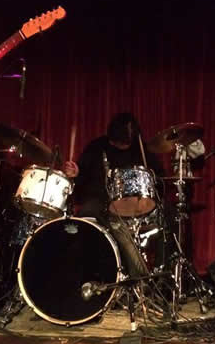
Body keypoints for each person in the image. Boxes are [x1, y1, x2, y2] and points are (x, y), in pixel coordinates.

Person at [64, 112, 165, 276]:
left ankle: (159, 274)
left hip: (135, 205)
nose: (124, 146)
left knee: (168, 217)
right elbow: (81, 177)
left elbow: (159, 178)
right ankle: (90, 272)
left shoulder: (141, 149)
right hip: (98, 201)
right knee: (85, 217)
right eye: (119, 143)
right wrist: (76, 173)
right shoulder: (96, 147)